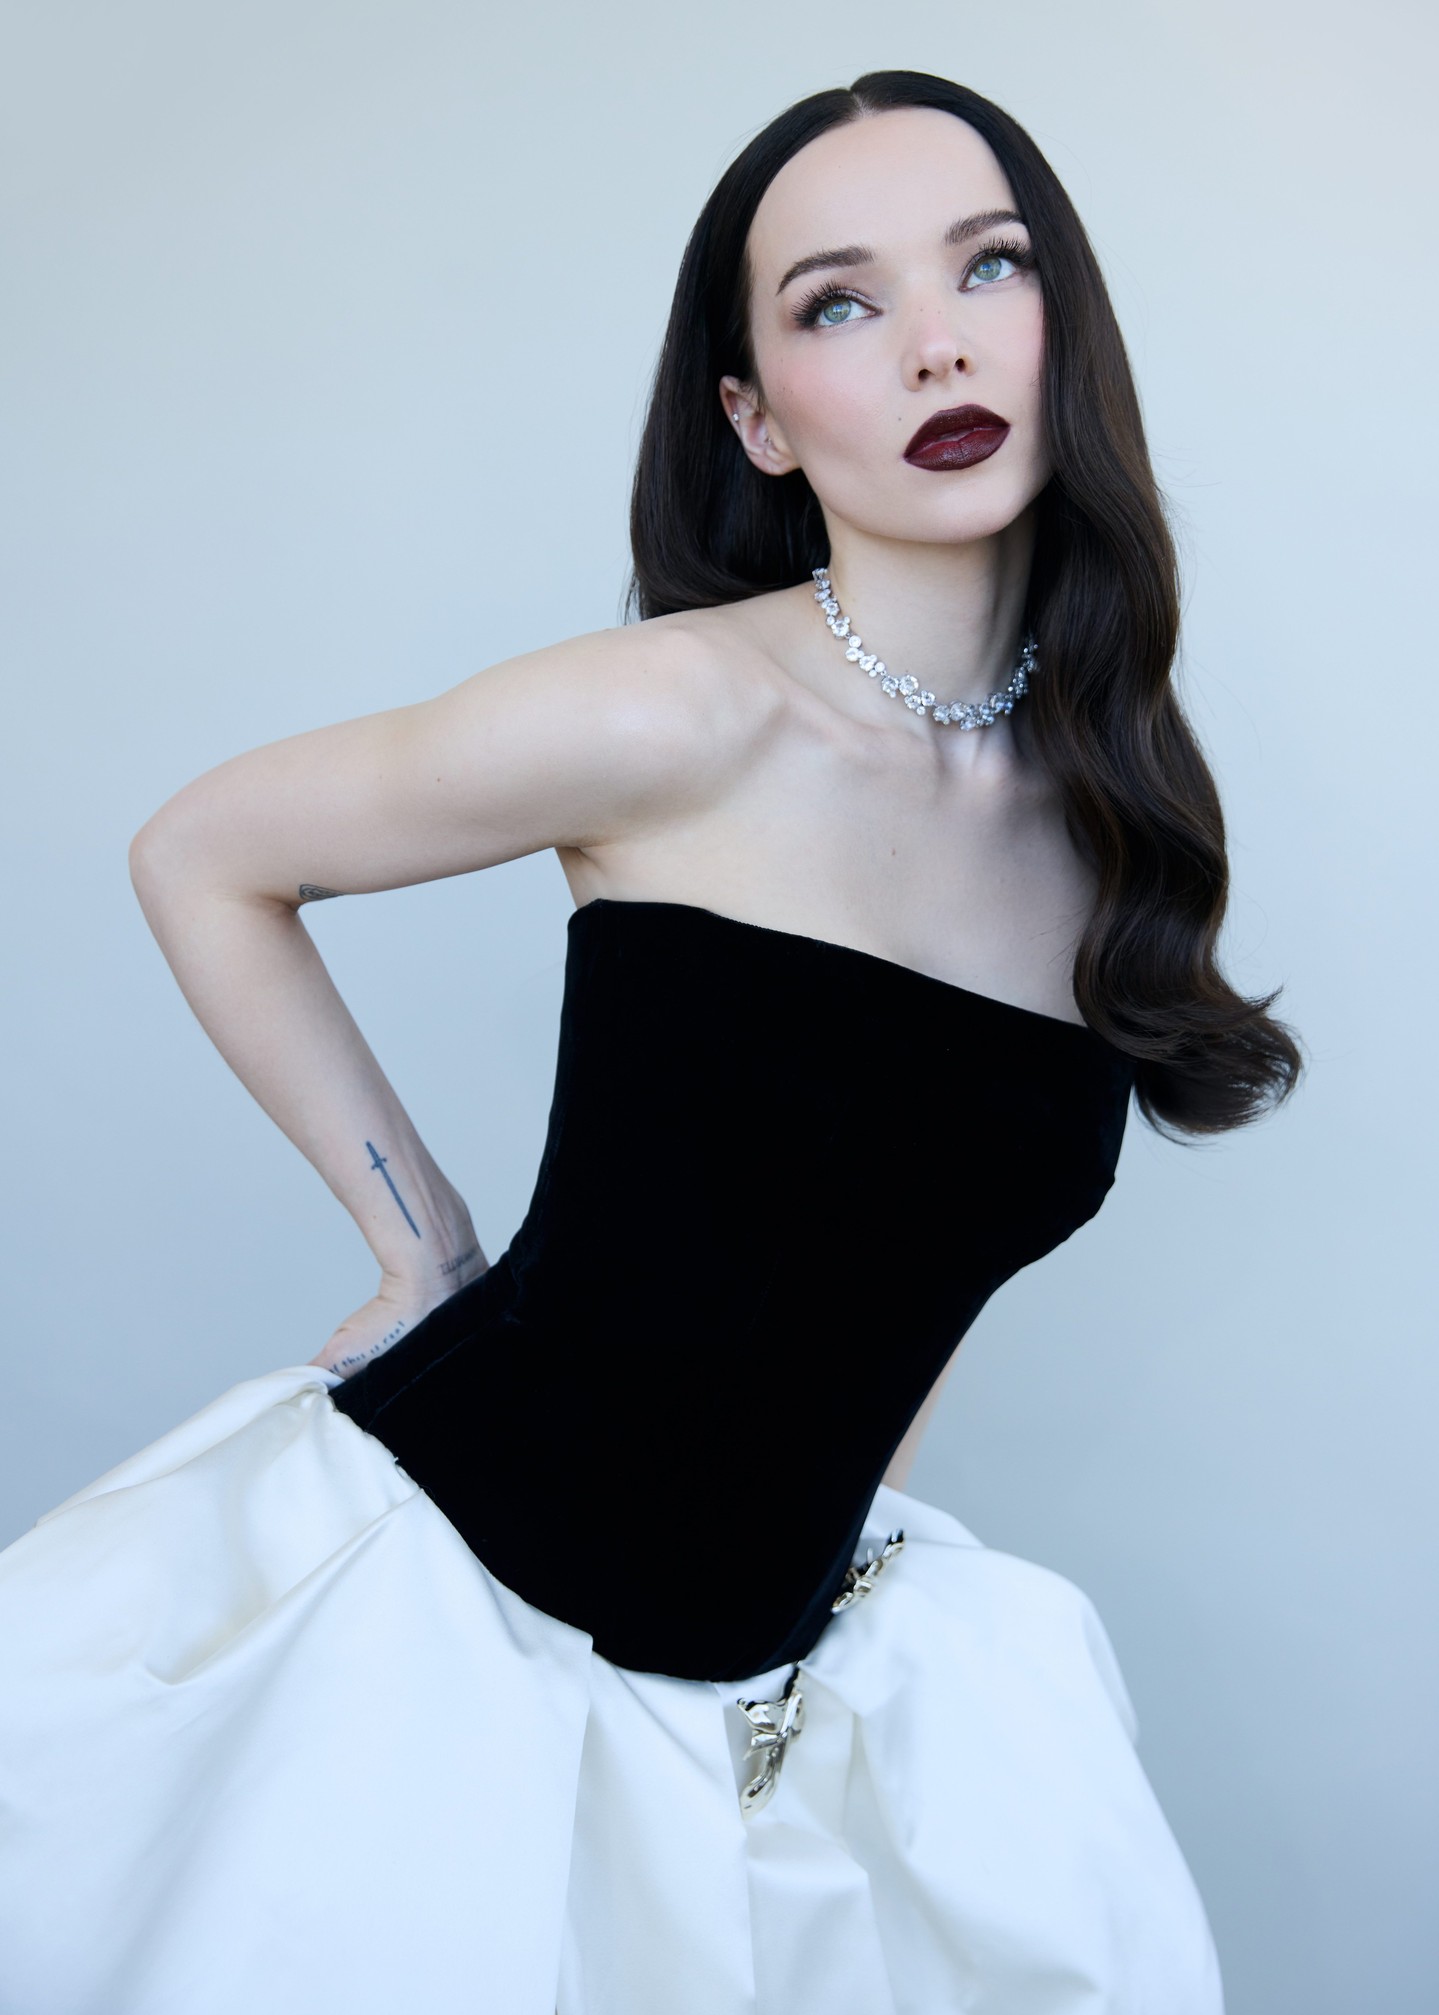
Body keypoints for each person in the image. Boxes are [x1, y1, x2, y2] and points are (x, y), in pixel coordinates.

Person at [0, 67, 1299, 2015]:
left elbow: (908, 1253)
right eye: (841, 301)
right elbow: (204, 852)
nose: (937, 341)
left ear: (1067, 325)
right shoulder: (676, 714)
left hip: (769, 1703)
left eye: (990, 267)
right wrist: (418, 1243)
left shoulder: (1105, 826)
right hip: (441, 1646)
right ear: (758, 417)